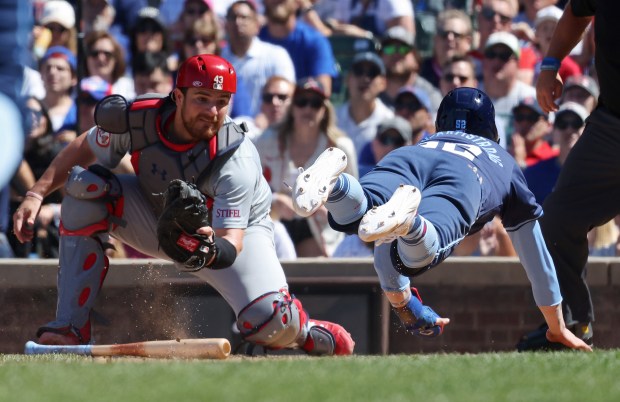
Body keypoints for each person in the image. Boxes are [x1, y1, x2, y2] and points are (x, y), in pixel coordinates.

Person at [12, 54, 354, 356]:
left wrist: (202, 246)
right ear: (178, 96)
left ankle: (307, 333)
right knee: (85, 190)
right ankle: (69, 327)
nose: (212, 111)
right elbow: (85, 147)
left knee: (268, 322)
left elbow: (230, 243)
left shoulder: (235, 157)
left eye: (222, 101)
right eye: (202, 99)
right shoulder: (139, 119)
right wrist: (35, 194)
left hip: (232, 236)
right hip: (155, 214)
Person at [290, 86, 591, 351]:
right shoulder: (503, 160)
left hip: (407, 158)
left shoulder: (424, 141)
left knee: (360, 214)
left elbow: (384, 243)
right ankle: (413, 225)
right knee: (418, 250)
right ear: (490, 129)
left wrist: (408, 307)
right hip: (467, 174)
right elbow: (536, 257)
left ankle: (336, 185)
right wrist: (556, 325)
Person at [518, 0, 618, 351]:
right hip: (612, 127)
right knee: (558, 221)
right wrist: (550, 63)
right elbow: (578, 12)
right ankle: (572, 326)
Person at [256, 77, 358, 257]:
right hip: (274, 221)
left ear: (325, 110)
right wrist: (274, 200)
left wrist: (330, 209)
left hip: (321, 228)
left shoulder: (341, 147)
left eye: (315, 103)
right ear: (292, 107)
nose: (308, 109)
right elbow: (250, 189)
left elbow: (354, 200)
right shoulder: (266, 141)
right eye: (302, 102)